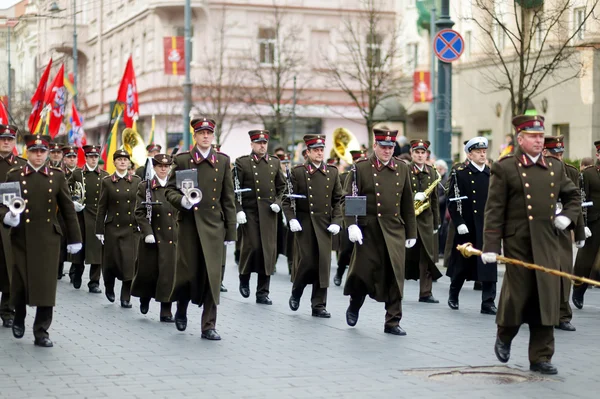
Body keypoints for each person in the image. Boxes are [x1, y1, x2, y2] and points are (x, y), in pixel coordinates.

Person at [482, 115, 580, 375]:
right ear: (520, 138)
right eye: (534, 136)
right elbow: (493, 210)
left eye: (541, 136)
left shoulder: (555, 168)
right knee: (518, 295)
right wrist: (491, 245)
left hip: (548, 242)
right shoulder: (505, 168)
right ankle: (505, 335)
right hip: (518, 243)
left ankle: (541, 356)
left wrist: (566, 217)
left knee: (546, 298)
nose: (539, 140)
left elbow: (573, 197)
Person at [1, 134, 82, 347]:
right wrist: (9, 217)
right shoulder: (14, 175)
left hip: (48, 237)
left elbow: (67, 210)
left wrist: (75, 238)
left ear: (47, 153)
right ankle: (18, 316)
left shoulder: (56, 177)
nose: (38, 155)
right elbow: (3, 205)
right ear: (27, 152)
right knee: (19, 281)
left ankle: (41, 331)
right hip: (21, 236)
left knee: (46, 287)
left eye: (42, 151)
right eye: (34, 151)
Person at [165, 117, 236, 341]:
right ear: (194, 136)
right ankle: (182, 308)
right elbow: (169, 191)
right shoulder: (184, 159)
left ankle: (208, 325)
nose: (205, 136)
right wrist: (183, 202)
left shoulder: (223, 161)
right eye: (201, 133)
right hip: (189, 226)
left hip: (214, 226)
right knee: (188, 273)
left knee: (212, 277)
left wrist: (231, 231)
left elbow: (228, 198)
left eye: (209, 133)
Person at [343, 129, 417, 335]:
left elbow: (407, 203)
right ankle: (355, 303)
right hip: (369, 229)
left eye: (390, 147)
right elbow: (350, 197)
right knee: (362, 273)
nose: (387, 151)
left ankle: (392, 321)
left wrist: (411, 233)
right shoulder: (361, 168)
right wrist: (351, 224)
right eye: (383, 147)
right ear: (375, 146)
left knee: (395, 276)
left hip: (394, 229)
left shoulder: (402, 168)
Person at [283, 134, 343, 317]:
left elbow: (338, 200)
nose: (319, 153)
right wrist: (291, 218)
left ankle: (319, 304)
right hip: (305, 223)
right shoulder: (298, 172)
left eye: (321, 149)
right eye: (315, 150)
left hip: (325, 224)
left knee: (323, 263)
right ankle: (297, 289)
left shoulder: (332, 172)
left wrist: (337, 222)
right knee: (307, 260)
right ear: (307, 152)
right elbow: (287, 199)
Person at [446, 137, 497, 314]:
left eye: (484, 151)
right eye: (478, 152)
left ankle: (488, 302)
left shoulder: (491, 174)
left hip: (487, 225)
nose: (482, 154)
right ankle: (453, 294)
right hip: (467, 225)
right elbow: (453, 200)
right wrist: (459, 222)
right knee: (462, 263)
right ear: (469, 154)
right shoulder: (460, 173)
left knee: (489, 263)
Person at [235, 130, 286, 305]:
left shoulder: (274, 162)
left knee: (267, 252)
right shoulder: (242, 163)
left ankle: (263, 292)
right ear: (252, 145)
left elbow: (282, 188)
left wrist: (278, 203)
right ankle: (244, 277)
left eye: (264, 143)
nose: (262, 146)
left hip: (269, 213)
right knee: (252, 247)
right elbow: (233, 189)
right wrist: (238, 209)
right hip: (250, 212)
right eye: (258, 143)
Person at [542, 136, 586, 331]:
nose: (559, 157)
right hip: (541, 230)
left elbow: (575, 202)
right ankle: (540, 312)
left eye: (561, 153)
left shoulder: (571, 172)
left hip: (563, 229)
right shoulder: (535, 171)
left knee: (564, 272)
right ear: (545, 152)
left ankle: (563, 315)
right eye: (554, 153)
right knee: (542, 273)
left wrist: (580, 231)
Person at [132, 154, 177, 322]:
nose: (163, 169)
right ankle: (145, 297)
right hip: (153, 236)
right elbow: (140, 212)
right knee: (149, 273)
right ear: (155, 167)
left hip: (172, 236)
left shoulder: (176, 186)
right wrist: (148, 232)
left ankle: (166, 310)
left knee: (169, 275)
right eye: (160, 166)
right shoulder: (146, 187)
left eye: (166, 166)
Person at [95, 147, 141, 308]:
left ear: (129, 163)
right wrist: (99, 230)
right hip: (113, 227)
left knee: (129, 262)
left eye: (125, 160)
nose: (122, 162)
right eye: (119, 159)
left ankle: (125, 296)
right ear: (114, 162)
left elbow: (140, 205)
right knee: (111, 262)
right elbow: (102, 207)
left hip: (131, 228)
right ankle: (109, 285)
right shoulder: (107, 182)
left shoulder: (136, 181)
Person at [405, 140, 442, 303]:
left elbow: (434, 200)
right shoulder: (405, 170)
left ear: (426, 154)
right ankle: (396, 289)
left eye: (423, 153)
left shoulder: (432, 172)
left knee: (427, 256)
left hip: (426, 219)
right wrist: (413, 195)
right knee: (402, 256)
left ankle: (426, 293)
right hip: (408, 218)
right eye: (417, 152)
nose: (420, 155)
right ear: (412, 154)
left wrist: (436, 222)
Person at [68, 145, 108, 293]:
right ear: (85, 158)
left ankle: (94, 282)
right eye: (90, 157)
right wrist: (73, 202)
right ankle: (77, 273)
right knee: (81, 247)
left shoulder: (104, 175)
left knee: (97, 250)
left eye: (96, 157)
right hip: (81, 215)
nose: (93, 159)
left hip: (97, 215)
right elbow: (66, 189)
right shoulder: (78, 174)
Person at [0, 124, 26, 328]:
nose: (6, 142)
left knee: (11, 267)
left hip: (13, 224)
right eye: (2, 138)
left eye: (10, 138)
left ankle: (8, 311)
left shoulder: (22, 166)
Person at [572, 141, 600, 309]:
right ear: (597, 155)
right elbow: (581, 199)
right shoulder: (588, 174)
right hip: (594, 222)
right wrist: (582, 224)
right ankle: (578, 288)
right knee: (586, 259)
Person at [333, 149, 367, 286]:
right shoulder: (344, 177)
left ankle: (357, 278)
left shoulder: (368, 176)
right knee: (346, 249)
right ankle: (340, 272)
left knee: (362, 250)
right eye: (357, 160)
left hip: (363, 217)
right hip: (347, 217)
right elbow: (340, 198)